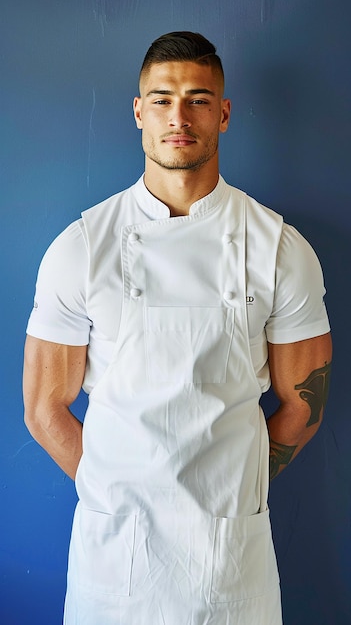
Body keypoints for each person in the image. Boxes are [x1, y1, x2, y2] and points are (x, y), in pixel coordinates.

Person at [23, 31, 332, 625]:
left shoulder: (280, 249)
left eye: (197, 98)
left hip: (231, 561)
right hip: (114, 561)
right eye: (161, 98)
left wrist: (238, 489)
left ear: (223, 112)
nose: (179, 116)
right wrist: (118, 490)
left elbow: (305, 404)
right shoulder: (82, 248)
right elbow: (43, 409)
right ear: (138, 111)